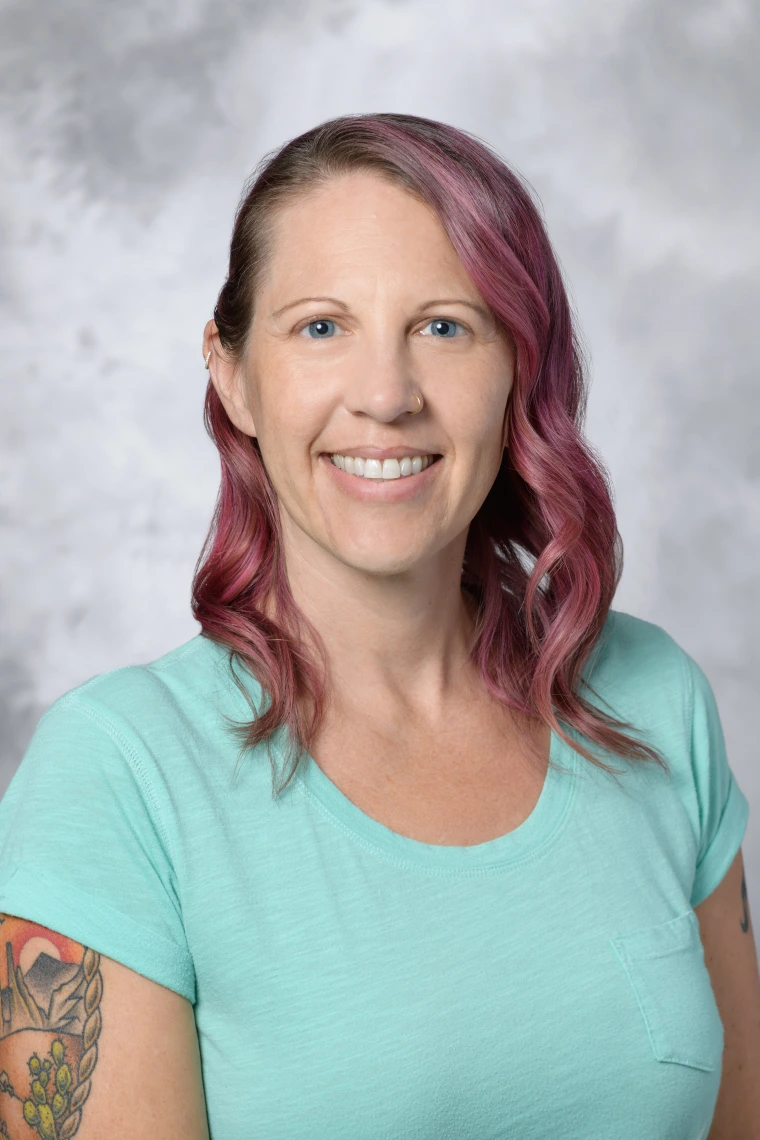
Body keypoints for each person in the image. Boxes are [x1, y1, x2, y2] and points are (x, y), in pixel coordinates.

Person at [0, 112, 757, 1140]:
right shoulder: (118, 775)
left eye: (445, 326)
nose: (386, 396)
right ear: (231, 374)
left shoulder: (653, 699)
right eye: (321, 327)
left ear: (517, 371)